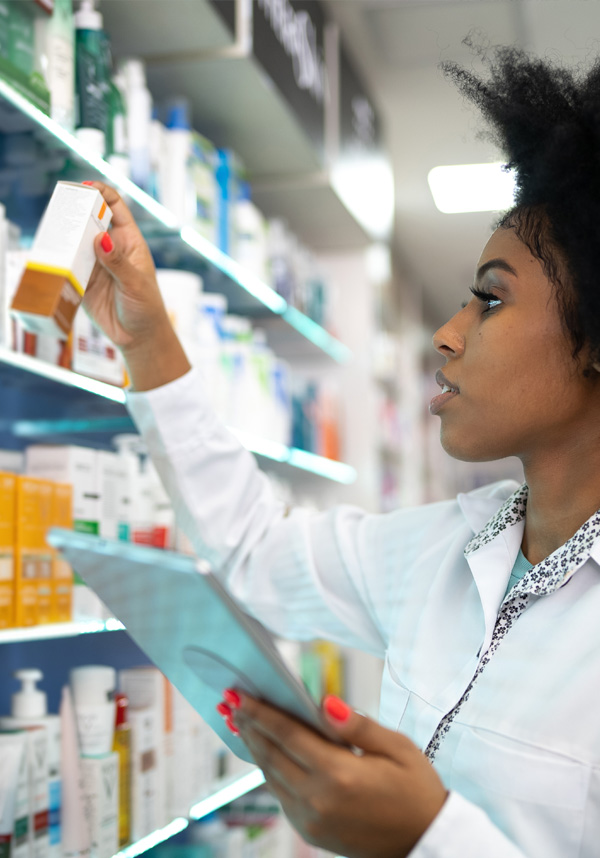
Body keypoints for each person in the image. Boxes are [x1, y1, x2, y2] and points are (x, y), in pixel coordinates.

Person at [81, 44, 600, 858]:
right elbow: (256, 551)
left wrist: (427, 836)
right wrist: (149, 344)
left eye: (491, 300)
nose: (446, 333)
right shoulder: (445, 551)